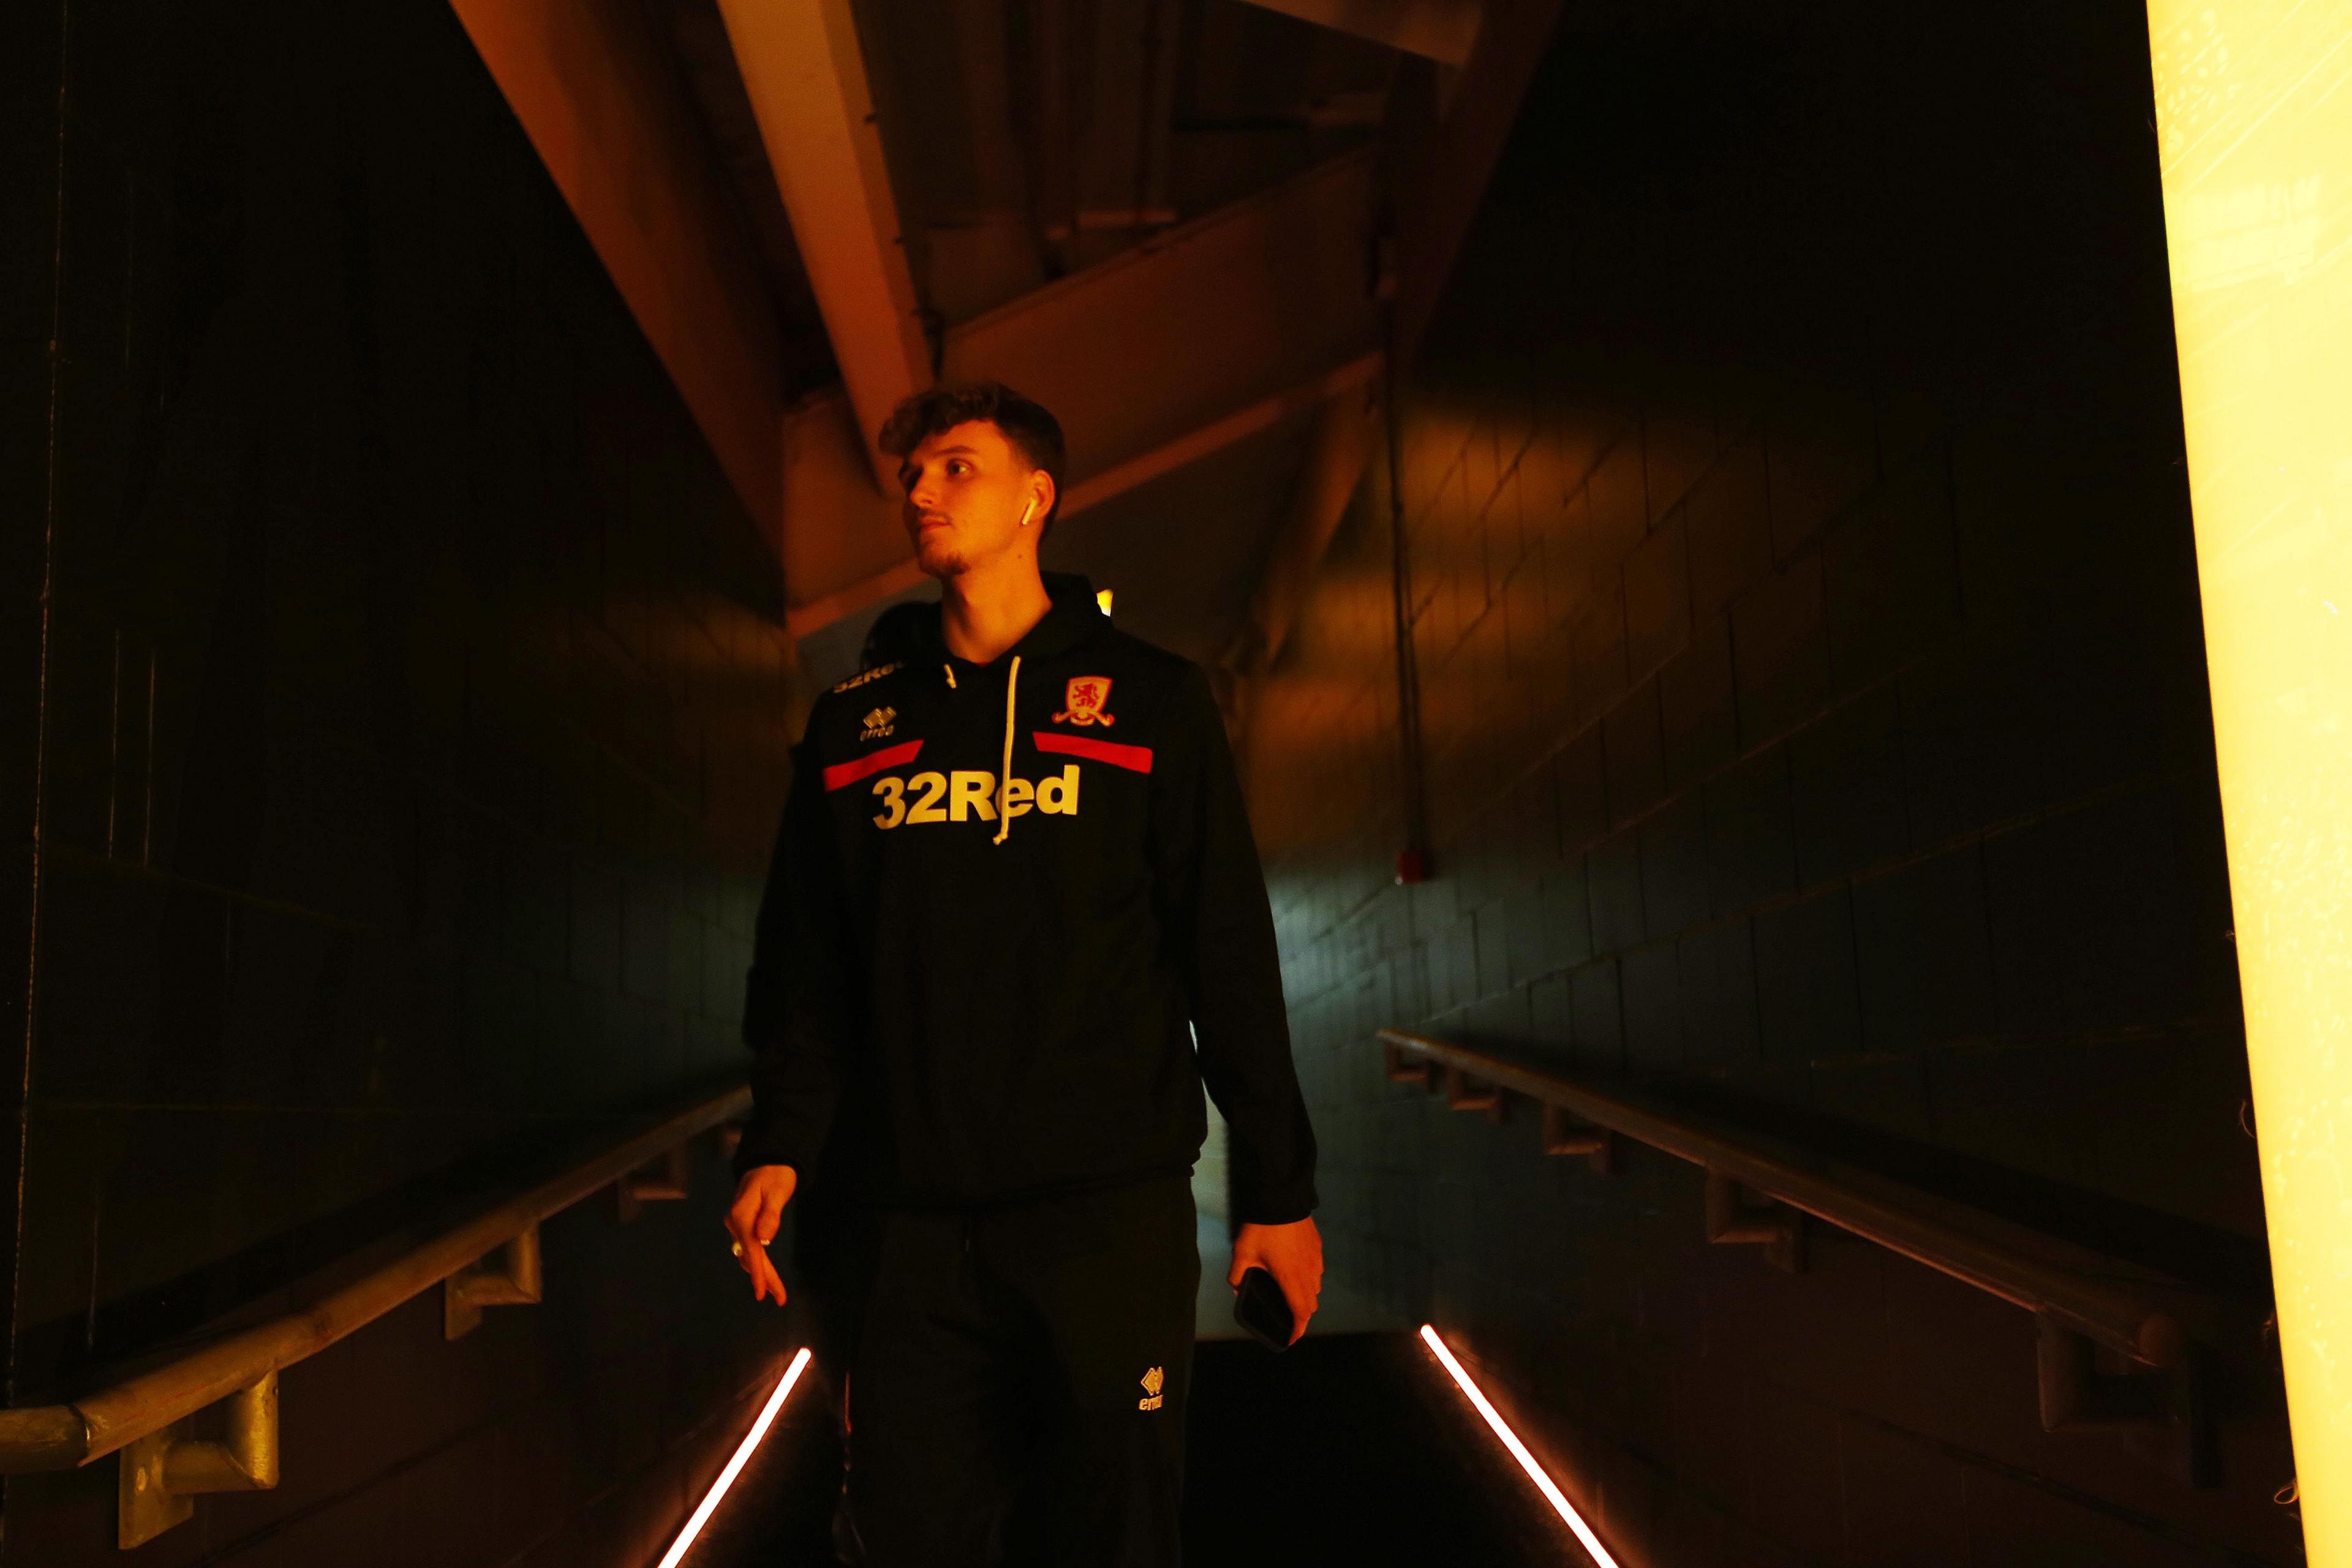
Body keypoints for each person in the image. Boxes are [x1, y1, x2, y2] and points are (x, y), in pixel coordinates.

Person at [723, 380, 1324, 1567]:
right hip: (903, 1223)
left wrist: (1278, 1186)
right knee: (907, 1532)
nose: (922, 492)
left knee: (1112, 1529)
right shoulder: (855, 724)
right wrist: (784, 1136)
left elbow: (1225, 951)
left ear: (1035, 497)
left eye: (956, 467)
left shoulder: (1150, 699)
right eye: (913, 475)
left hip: (1107, 1209)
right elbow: (805, 959)